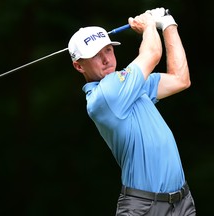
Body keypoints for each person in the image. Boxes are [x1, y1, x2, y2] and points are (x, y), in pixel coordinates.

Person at [68, 7, 196, 216]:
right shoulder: (106, 96)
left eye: (108, 49)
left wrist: (168, 24)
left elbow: (181, 79)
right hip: (144, 207)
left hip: (182, 201)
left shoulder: (128, 84)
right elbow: (153, 53)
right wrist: (148, 26)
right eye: (95, 55)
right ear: (79, 66)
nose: (106, 59)